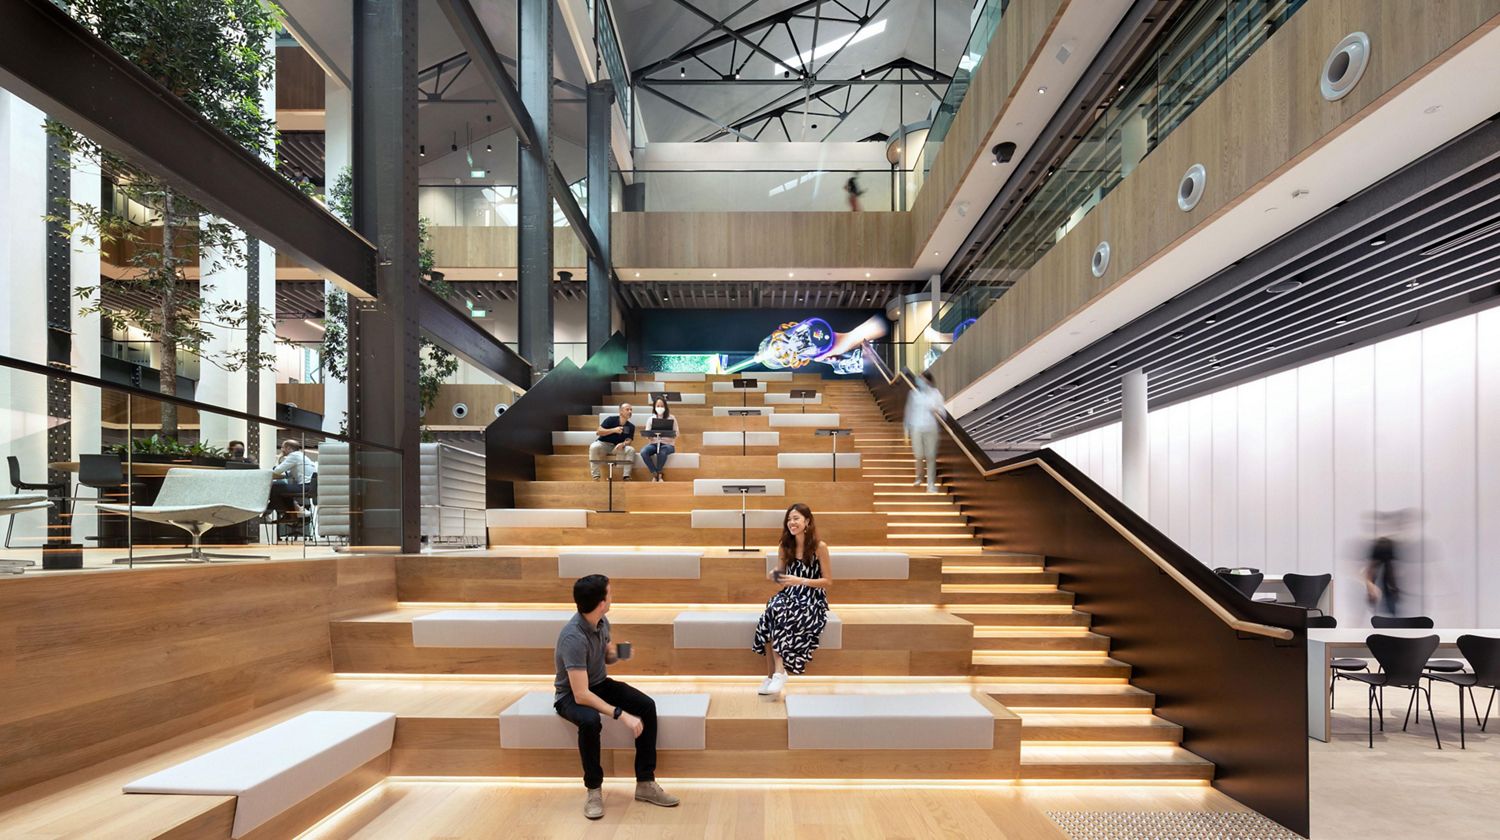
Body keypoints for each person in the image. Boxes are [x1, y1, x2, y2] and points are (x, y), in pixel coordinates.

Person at [554, 574, 680, 819]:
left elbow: (605, 658)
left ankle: (645, 782)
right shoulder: (573, 637)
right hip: (569, 695)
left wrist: (617, 653)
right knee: (590, 721)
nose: (612, 597)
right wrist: (620, 714)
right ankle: (593, 790)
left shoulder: (602, 622)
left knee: (646, 706)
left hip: (599, 684)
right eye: (610, 593)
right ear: (601, 602)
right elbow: (580, 694)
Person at [753, 503, 832, 696]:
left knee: (778, 612)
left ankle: (778, 673)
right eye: (789, 519)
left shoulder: (819, 547)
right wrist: (774, 575)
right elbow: (781, 579)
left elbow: (828, 581)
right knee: (770, 612)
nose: (791, 522)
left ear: (807, 521)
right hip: (789, 595)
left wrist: (801, 580)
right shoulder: (784, 546)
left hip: (812, 598)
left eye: (796, 518)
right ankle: (774, 675)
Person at [905, 373, 943, 493]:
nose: (919, 381)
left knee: (931, 456)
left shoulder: (935, 393)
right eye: (919, 379)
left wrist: (935, 408)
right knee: (919, 455)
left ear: (928, 380)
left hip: (931, 428)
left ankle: (930, 484)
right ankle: (919, 477)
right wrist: (906, 429)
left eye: (922, 378)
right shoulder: (914, 394)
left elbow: (943, 411)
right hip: (916, 427)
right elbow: (908, 412)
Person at [269, 439, 317, 519]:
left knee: (274, 487)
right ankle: (295, 511)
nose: (281, 450)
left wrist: (278, 458)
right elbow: (287, 474)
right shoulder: (300, 456)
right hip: (309, 487)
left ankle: (269, 512)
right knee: (281, 487)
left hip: (305, 486)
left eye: (282, 448)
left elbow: (276, 471)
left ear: (288, 448)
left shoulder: (293, 456)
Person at [589, 403, 636, 481]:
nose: (630, 411)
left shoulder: (631, 426)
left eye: (631, 410)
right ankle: (596, 476)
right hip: (603, 444)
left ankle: (626, 476)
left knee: (631, 449)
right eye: (627, 409)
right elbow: (599, 431)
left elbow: (629, 439)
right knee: (593, 446)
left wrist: (624, 444)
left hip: (617, 447)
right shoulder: (611, 419)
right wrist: (614, 430)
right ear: (621, 411)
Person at [640, 397, 678, 482]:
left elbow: (677, 433)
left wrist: (669, 434)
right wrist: (649, 435)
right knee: (644, 452)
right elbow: (647, 433)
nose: (660, 407)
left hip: (668, 445)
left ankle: (659, 474)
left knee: (662, 452)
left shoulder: (671, 418)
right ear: (654, 407)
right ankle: (655, 473)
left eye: (662, 405)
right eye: (658, 405)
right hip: (654, 444)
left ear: (665, 407)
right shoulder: (650, 419)